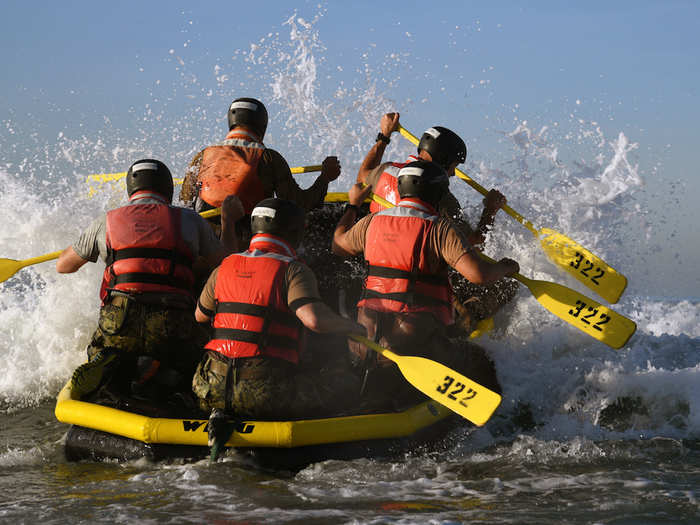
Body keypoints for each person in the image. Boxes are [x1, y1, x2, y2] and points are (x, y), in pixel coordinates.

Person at [333, 160, 520, 411]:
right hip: (412, 344)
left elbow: (338, 245)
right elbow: (479, 275)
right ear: (438, 193)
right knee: (480, 360)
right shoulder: (439, 228)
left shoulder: (371, 222)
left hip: (364, 343)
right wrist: (506, 268)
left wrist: (353, 205)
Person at [57, 159, 242, 402]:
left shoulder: (106, 221)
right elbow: (229, 262)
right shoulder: (189, 220)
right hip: (172, 319)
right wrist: (229, 220)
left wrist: (93, 245)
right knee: (194, 357)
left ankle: (109, 357)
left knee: (115, 344)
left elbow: (64, 266)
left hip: (120, 319)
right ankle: (168, 376)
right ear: (167, 188)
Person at [192, 197, 366, 423]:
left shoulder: (224, 265)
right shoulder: (293, 270)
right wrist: (353, 327)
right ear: (293, 231)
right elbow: (314, 320)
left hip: (209, 388)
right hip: (264, 395)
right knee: (345, 383)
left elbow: (200, 315)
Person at [180, 97, 342, 243]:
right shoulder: (269, 158)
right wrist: (325, 178)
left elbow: (184, 204)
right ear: (262, 125)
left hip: (204, 246)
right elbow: (299, 205)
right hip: (245, 246)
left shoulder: (202, 156)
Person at [357, 112, 506, 248]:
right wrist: (490, 210)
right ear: (443, 161)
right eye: (453, 166)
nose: (454, 173)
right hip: (413, 269)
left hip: (374, 253)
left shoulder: (386, 170)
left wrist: (384, 136)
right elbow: (474, 243)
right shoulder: (441, 196)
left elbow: (361, 179)